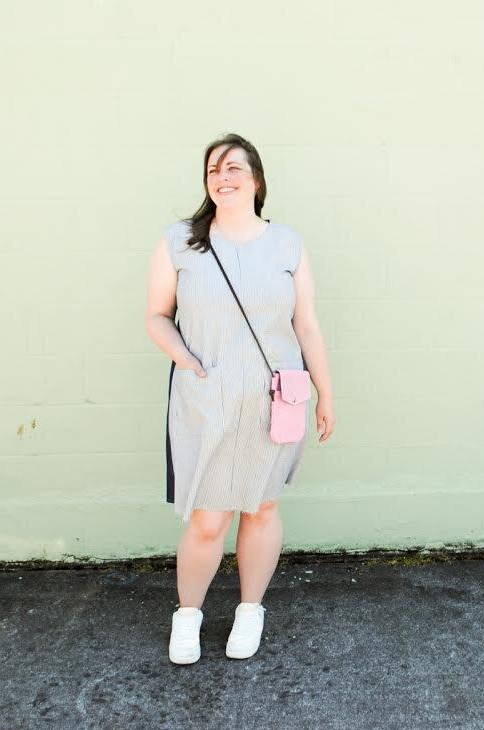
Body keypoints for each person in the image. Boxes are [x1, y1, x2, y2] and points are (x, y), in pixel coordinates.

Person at [145, 134, 335, 663]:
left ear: (256, 179)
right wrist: (188, 361)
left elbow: (308, 326)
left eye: (233, 168)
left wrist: (326, 393)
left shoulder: (289, 245)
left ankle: (251, 609)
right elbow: (156, 315)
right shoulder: (181, 241)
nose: (222, 178)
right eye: (213, 170)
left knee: (263, 506)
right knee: (209, 517)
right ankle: (189, 615)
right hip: (204, 401)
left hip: (275, 400)